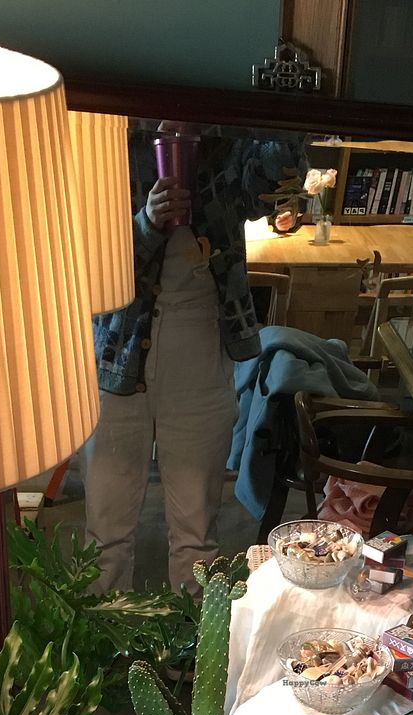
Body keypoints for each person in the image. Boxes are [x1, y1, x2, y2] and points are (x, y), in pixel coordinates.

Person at [85, 122, 305, 592]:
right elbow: (86, 263)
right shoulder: (107, 140)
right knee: (105, 534)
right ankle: (101, 636)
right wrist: (146, 223)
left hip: (202, 344)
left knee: (197, 533)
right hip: (116, 347)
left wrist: (276, 112)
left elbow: (275, 179)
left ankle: (192, 640)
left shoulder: (229, 142)